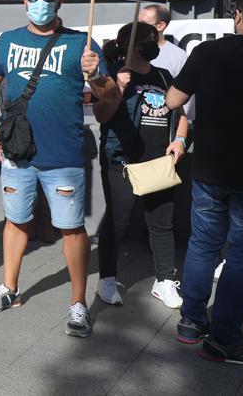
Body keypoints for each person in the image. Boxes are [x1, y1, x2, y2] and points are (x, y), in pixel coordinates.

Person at [0, 0, 118, 339]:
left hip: (64, 155)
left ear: (59, 2)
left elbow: (110, 96)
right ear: (25, 1)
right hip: (17, 152)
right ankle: (10, 288)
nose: (41, 2)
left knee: (71, 228)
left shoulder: (81, 44)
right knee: (16, 220)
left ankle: (78, 303)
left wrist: (97, 74)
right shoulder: (7, 41)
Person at [167, 0, 243, 368]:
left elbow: (173, 101)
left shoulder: (207, 51)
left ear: (238, 14)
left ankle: (191, 321)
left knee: (203, 244)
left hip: (209, 171)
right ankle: (225, 339)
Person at [93, 22, 188, 309]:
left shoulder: (163, 75)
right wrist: (118, 88)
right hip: (122, 160)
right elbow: (101, 114)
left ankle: (164, 280)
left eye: (155, 39)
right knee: (118, 221)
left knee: (161, 223)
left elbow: (181, 112)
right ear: (131, 44)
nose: (154, 45)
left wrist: (181, 140)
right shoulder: (114, 75)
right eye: (148, 40)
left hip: (159, 162)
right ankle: (107, 279)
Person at [138, 4, 195, 121]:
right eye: (137, 23)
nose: (138, 28)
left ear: (160, 26)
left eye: (143, 23)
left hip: (164, 125)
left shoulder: (179, 57)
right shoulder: (131, 52)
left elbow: (185, 100)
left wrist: (180, 134)